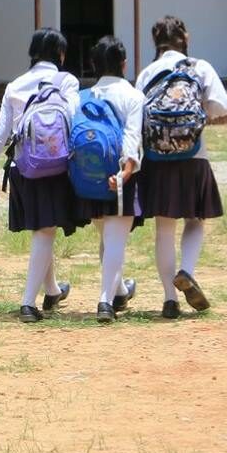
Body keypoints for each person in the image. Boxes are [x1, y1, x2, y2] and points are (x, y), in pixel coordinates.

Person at [0, 28, 82, 321]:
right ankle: (27, 303)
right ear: (60, 54)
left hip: (24, 168)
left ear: (33, 54)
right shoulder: (67, 81)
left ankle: (52, 290)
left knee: (43, 229)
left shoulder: (16, 85)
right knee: (45, 231)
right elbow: (74, 119)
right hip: (57, 165)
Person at [134, 17, 227, 319]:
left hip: (156, 158)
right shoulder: (199, 67)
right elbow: (220, 105)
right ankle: (186, 270)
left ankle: (168, 299)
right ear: (185, 37)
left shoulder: (147, 72)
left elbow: (137, 116)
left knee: (164, 227)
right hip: (194, 156)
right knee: (196, 219)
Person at [77, 36, 144, 323]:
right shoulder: (133, 96)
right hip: (119, 174)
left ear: (94, 65)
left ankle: (119, 290)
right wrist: (127, 171)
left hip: (88, 177)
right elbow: (132, 135)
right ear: (124, 64)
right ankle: (105, 300)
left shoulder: (84, 96)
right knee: (116, 239)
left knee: (107, 236)